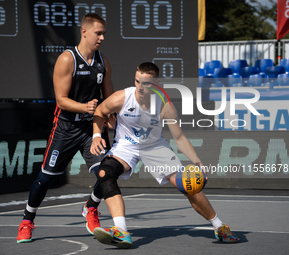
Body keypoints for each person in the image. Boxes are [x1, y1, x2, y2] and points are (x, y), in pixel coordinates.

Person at [88, 62, 239, 249]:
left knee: (188, 184)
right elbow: (100, 112)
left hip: (154, 146)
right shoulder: (121, 97)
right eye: (137, 82)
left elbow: (180, 137)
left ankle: (219, 226)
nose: (140, 87)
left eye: (146, 83)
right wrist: (96, 136)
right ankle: (121, 231)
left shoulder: (165, 105)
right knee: (105, 173)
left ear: (156, 82)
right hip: (126, 146)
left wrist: (197, 161)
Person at [16, 13, 114, 243]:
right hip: (66, 129)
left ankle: (91, 208)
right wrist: (85, 107)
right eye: (98, 33)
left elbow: (108, 95)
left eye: (104, 34)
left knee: (108, 173)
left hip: (92, 129)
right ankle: (27, 221)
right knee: (45, 180)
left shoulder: (104, 61)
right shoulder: (67, 59)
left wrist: (112, 115)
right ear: (84, 31)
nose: (101, 38)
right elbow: (60, 100)